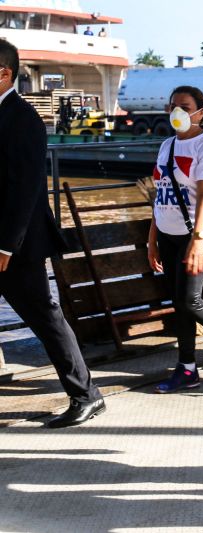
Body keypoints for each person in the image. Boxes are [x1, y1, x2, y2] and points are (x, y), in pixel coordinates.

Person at [0, 40, 105, 428]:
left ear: (4, 73)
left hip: (16, 245)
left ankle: (86, 396)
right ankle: (86, 394)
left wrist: (6, 245)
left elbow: (25, 189)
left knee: (45, 317)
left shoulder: (22, 119)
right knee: (45, 316)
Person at [148, 85, 203, 393]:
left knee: (190, 299)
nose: (177, 112)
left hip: (198, 233)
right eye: (172, 106)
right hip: (167, 233)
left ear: (202, 112)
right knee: (179, 304)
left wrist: (197, 239)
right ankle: (187, 369)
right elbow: (159, 194)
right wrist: (152, 240)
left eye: (185, 107)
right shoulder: (167, 146)